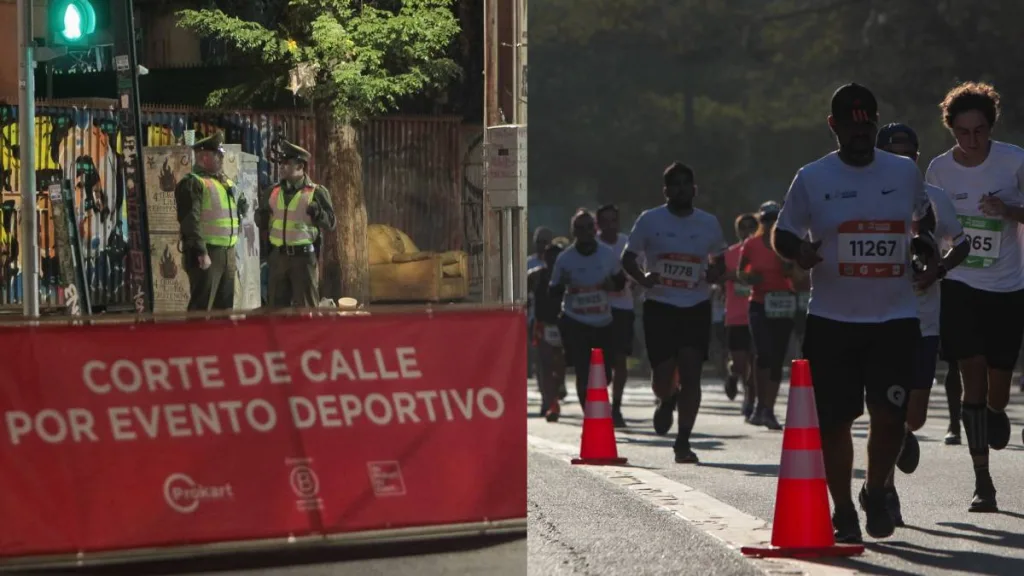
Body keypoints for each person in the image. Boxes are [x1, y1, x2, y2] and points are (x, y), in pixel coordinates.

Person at [772, 83, 933, 542]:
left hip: (894, 318)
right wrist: (799, 251)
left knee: (891, 416)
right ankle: (843, 510)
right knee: (835, 422)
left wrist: (922, 249)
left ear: (876, 124)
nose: (861, 134)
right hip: (833, 320)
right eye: (851, 127)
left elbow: (924, 220)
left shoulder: (903, 172)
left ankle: (875, 490)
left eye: (868, 126)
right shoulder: (812, 177)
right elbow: (783, 233)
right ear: (834, 126)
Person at [924, 81, 1024, 512]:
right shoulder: (939, 170)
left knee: (998, 386)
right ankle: (983, 482)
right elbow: (927, 225)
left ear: (991, 127)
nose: (971, 140)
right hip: (960, 283)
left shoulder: (1014, 161)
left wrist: (1008, 211)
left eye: (979, 131)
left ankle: (997, 412)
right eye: (962, 132)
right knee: (972, 376)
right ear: (950, 129)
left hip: (1008, 287)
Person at [876, 122, 970, 525]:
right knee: (884, 409)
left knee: (913, 417)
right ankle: (884, 491)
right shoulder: (866, 197)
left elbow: (962, 244)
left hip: (923, 321)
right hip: (878, 318)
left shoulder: (935, 198)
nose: (902, 162)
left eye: (908, 155)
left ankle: (903, 435)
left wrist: (938, 270)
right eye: (893, 155)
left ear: (917, 158)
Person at [622, 161, 728, 464]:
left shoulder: (708, 222)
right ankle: (666, 398)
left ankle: (683, 441)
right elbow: (628, 258)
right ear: (665, 190)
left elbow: (719, 260)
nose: (681, 189)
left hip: (695, 305)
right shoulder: (649, 219)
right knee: (662, 375)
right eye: (675, 185)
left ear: (694, 189)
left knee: (692, 373)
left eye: (685, 184)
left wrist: (715, 272)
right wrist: (642, 278)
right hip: (660, 305)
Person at [549, 209, 626, 410]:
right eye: (580, 228)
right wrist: (563, 284)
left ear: (595, 229)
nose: (585, 232)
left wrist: (612, 285)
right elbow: (553, 290)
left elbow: (620, 281)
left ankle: (597, 399)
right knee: (583, 371)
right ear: (573, 231)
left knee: (605, 374)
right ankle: (589, 412)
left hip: (603, 322)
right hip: (576, 322)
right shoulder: (565, 259)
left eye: (589, 227)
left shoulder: (607, 254)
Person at [256, 140, 336, 308]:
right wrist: (260, 217)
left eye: (287, 163)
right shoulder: (272, 191)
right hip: (278, 258)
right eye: (281, 163)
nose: (282, 167)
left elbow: (331, 223)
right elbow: (261, 221)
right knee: (276, 311)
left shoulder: (317, 192)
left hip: (303, 260)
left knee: (306, 310)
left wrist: (319, 213)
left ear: (300, 166)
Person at [175, 131, 247, 311]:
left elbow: (236, 211)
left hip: (227, 252)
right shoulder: (193, 183)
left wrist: (240, 205)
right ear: (204, 157)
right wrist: (201, 252)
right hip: (207, 253)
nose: (222, 159)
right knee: (201, 307)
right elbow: (190, 221)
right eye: (218, 155)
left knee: (224, 308)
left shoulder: (223, 183)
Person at [738, 201, 793, 431]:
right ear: (761, 222)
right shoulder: (751, 244)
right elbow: (741, 272)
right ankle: (760, 404)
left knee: (777, 358)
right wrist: (751, 278)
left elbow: (795, 272)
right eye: (766, 220)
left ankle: (768, 409)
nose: (771, 223)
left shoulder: (787, 243)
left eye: (775, 219)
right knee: (763, 354)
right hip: (760, 303)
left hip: (783, 304)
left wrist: (785, 259)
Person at [597, 204, 636, 428]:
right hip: (598, 310)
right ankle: (602, 399)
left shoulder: (627, 244)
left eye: (614, 220)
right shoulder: (593, 246)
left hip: (623, 308)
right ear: (598, 224)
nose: (610, 225)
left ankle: (617, 407)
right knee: (601, 362)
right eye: (605, 221)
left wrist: (632, 282)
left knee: (620, 359)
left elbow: (638, 270)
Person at [723, 213, 759, 418]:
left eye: (751, 227)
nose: (747, 231)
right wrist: (736, 275)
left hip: (757, 313)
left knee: (754, 362)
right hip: (736, 316)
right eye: (743, 228)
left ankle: (749, 401)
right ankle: (733, 374)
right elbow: (720, 275)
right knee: (739, 362)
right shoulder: (730, 254)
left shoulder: (763, 251)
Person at [528, 238, 568, 421]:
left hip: (562, 324)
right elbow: (521, 293)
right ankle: (548, 402)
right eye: (549, 257)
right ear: (544, 258)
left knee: (559, 364)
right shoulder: (535, 276)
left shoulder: (566, 276)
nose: (552, 261)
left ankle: (558, 388)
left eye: (556, 257)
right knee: (544, 364)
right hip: (543, 325)